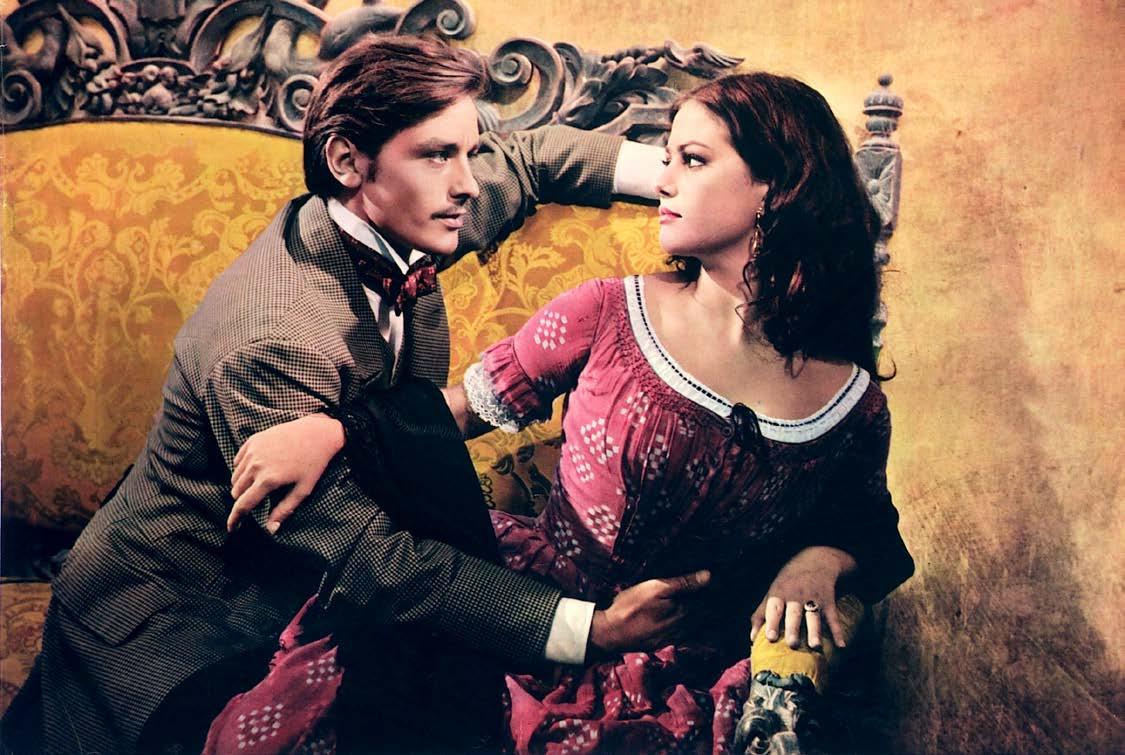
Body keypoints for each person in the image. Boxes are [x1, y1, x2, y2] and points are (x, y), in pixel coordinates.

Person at [0, 35, 711, 755]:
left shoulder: (395, 212)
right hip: (181, 615)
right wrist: (589, 629)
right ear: (346, 161)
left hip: (310, 576)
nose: (467, 184)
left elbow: (526, 160)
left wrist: (687, 177)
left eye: (466, 152)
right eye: (438, 155)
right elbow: (369, 561)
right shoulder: (275, 338)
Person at [222, 71, 916, 753]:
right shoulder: (608, 311)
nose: (664, 182)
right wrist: (336, 430)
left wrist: (819, 562)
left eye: (693, 160)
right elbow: (458, 410)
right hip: (529, 614)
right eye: (667, 158)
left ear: (776, 187)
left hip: (683, 669)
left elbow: (868, 527)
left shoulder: (850, 402)